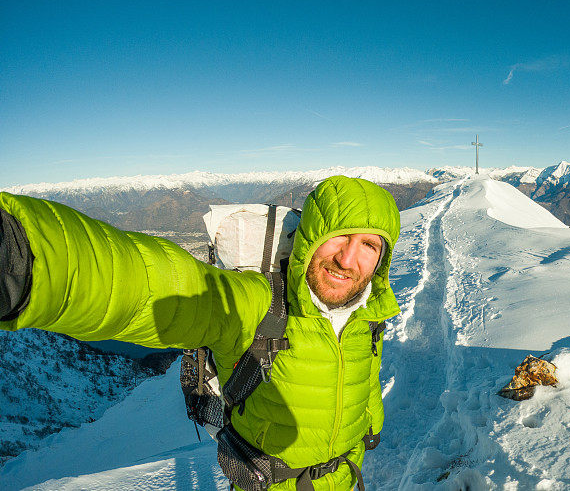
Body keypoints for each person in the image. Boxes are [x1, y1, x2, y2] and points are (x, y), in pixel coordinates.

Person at [0, 175, 401, 491]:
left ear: (380, 259)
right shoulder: (257, 306)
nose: (348, 259)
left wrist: (371, 427)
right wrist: (28, 260)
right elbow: (164, 287)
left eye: (368, 245)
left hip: (346, 479)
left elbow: (364, 378)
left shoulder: (369, 314)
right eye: (340, 237)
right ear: (312, 236)